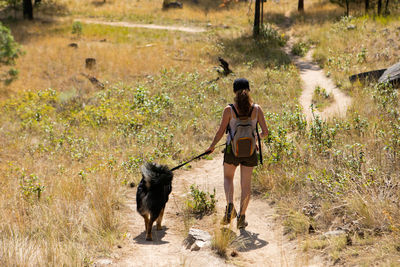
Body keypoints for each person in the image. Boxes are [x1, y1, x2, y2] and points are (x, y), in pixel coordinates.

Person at [205, 78, 269, 229]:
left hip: (231, 151)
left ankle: (230, 207)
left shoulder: (229, 110)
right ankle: (242, 217)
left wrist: (212, 146)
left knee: (228, 177)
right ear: (249, 89)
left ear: (234, 91)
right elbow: (265, 132)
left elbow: (220, 132)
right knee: (245, 185)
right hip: (251, 151)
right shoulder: (257, 109)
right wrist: (255, 137)